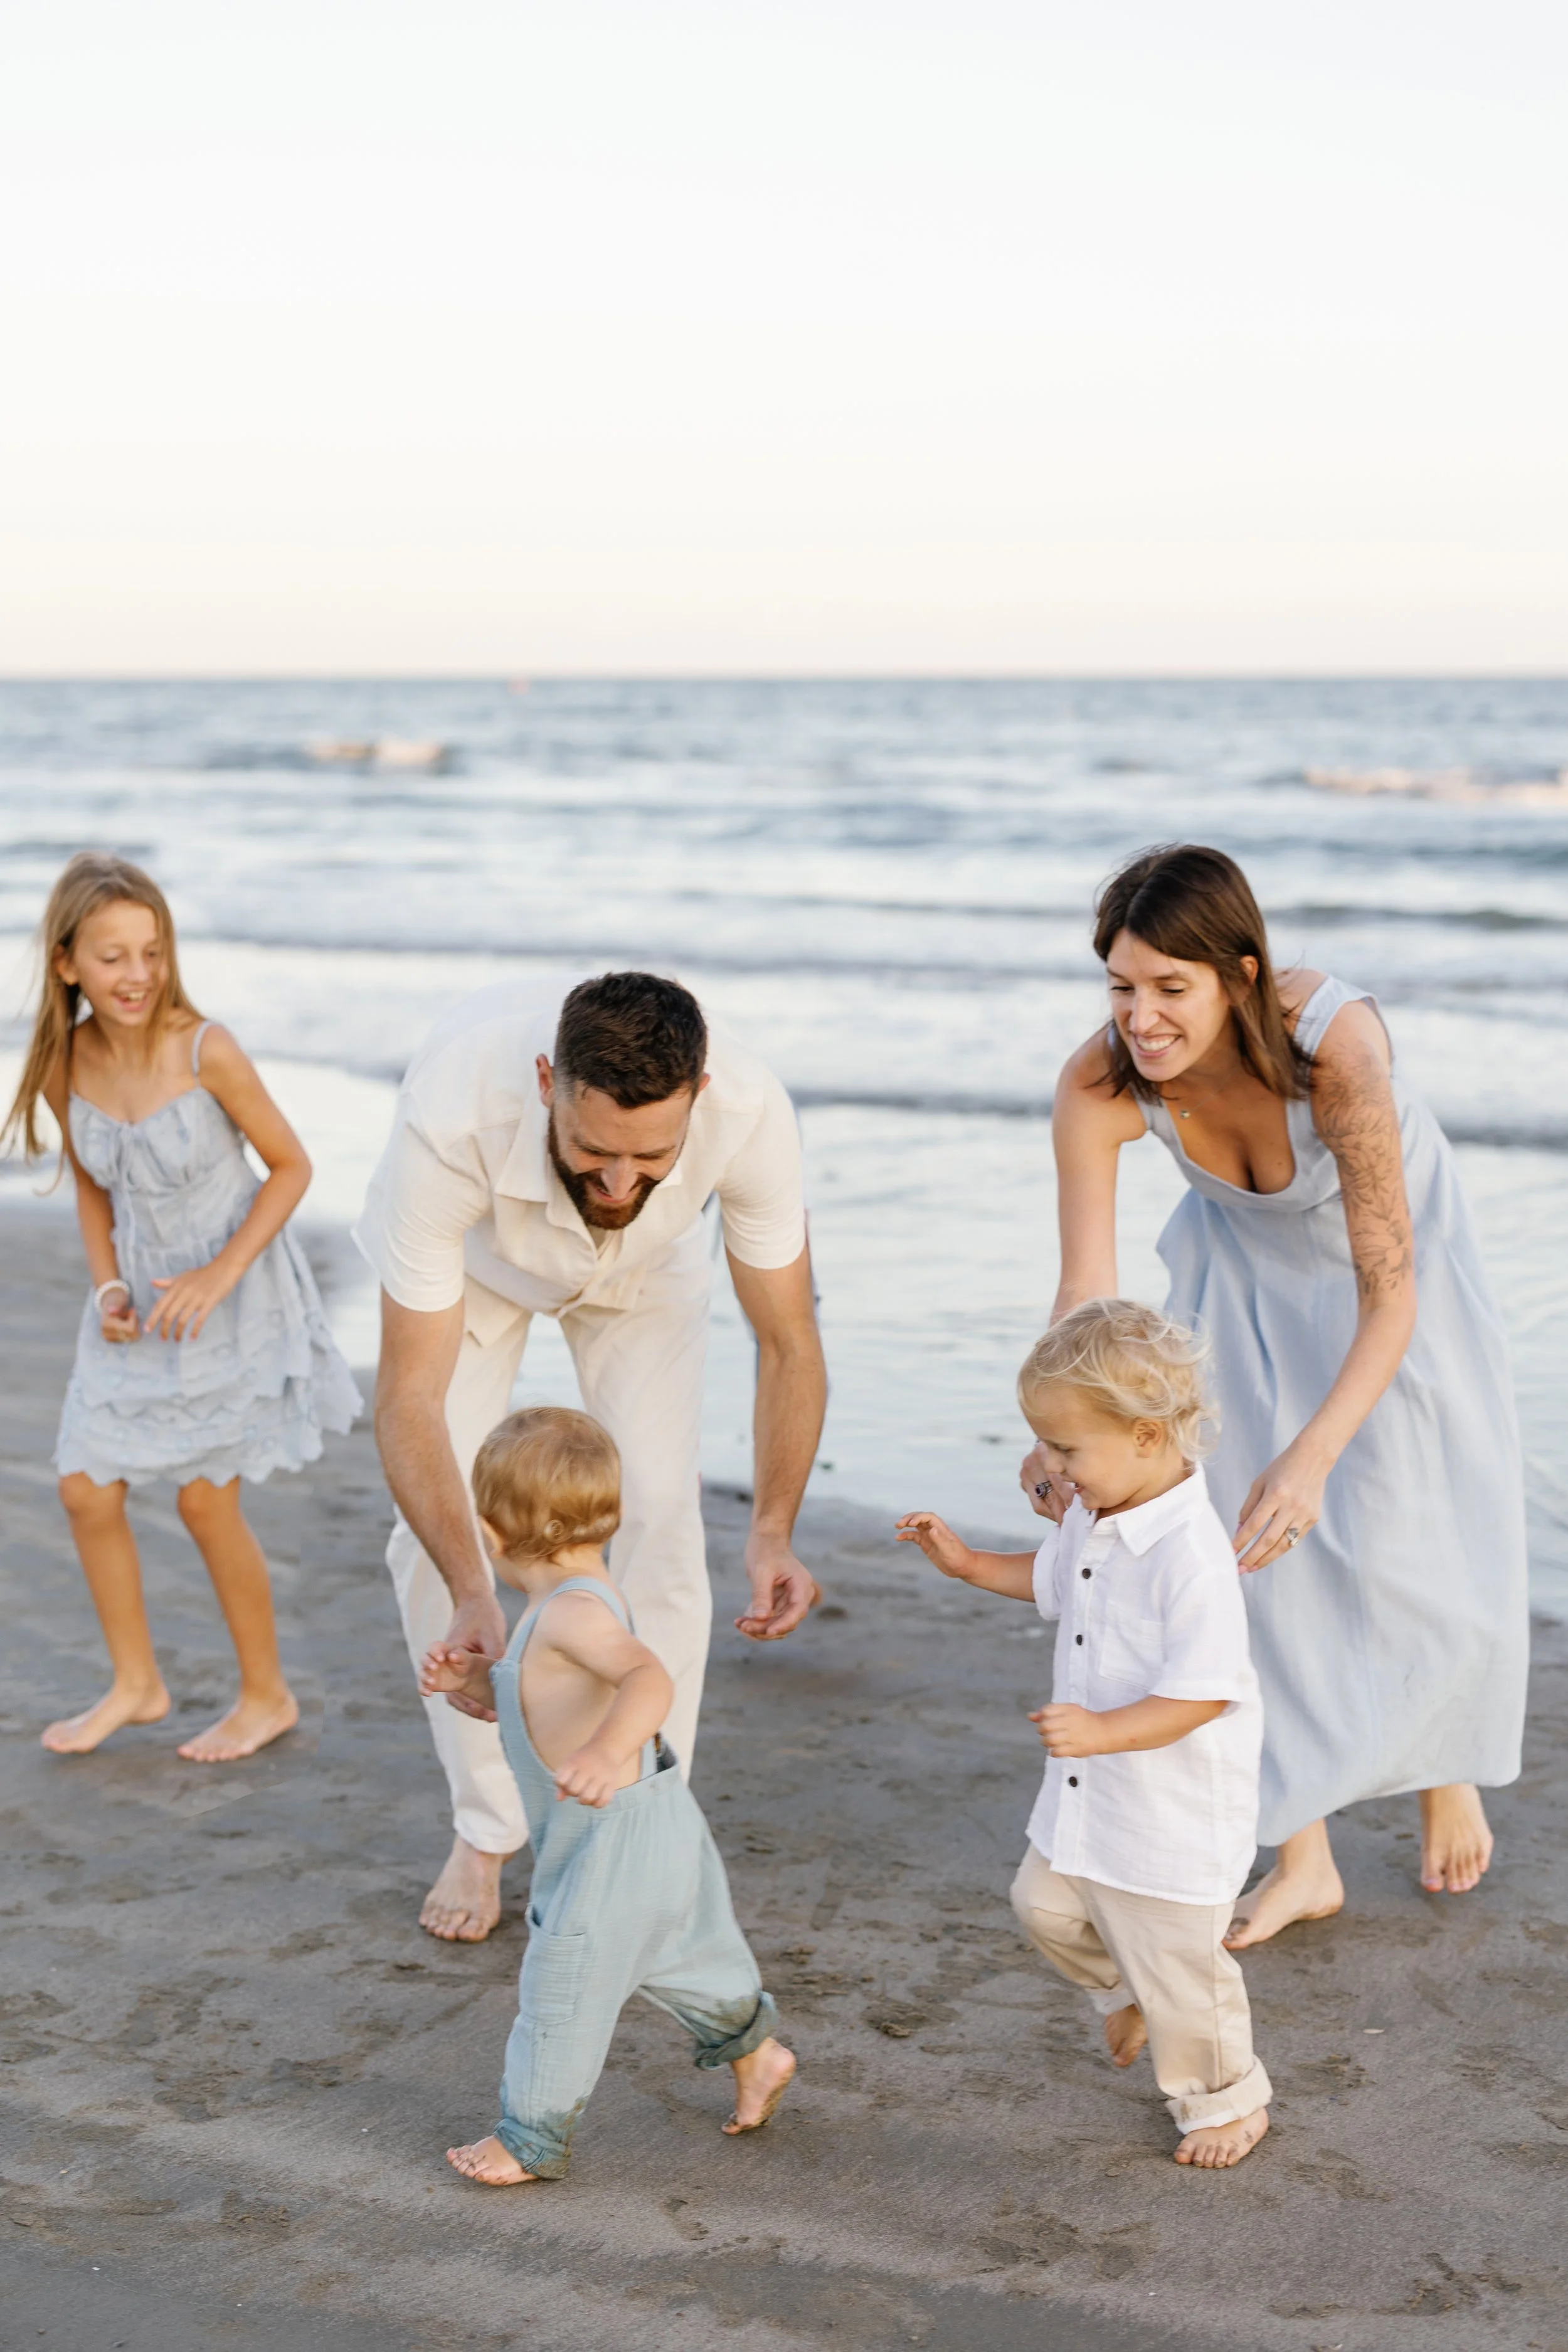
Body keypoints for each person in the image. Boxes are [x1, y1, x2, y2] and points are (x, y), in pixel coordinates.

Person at [1039, 843, 1527, 1946]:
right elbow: (1085, 1293)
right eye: (1121, 986)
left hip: (1390, 1270)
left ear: (1241, 976)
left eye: (1172, 988)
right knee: (1239, 1550)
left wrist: (1313, 1457)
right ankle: (1305, 1855)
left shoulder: (1335, 1048)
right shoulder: (1099, 1083)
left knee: (1402, 1527)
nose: (1142, 1018)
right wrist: (1057, 1430)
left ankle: (1441, 1765)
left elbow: (1390, 1296)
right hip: (1242, 1272)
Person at [357, 970, 827, 1943]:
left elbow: (788, 1339)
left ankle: (639, 1830)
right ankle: (486, 1829)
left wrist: (775, 1530)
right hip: (479, 1268)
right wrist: (475, 1590)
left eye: (650, 1154)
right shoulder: (450, 1120)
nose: (617, 1181)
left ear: (698, 1097)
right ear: (547, 1083)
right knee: (438, 1541)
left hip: (648, 1273)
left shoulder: (749, 1112)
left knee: (658, 1512)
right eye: (593, 1150)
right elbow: (407, 1398)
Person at [3, 852, 361, 1762]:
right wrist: (107, 1286)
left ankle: (267, 1696)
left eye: (152, 951)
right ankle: (138, 1684)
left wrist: (219, 1275)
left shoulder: (207, 1050)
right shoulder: (64, 1061)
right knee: (86, 1490)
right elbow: (93, 1189)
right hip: (135, 1297)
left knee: (205, 1503)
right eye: (113, 956)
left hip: (232, 1291)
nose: (137, 975)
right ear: (66, 963)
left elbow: (292, 1167)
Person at [898, 1301, 1270, 2168]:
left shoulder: (1190, 1554)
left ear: (1146, 1436)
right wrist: (965, 1564)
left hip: (1170, 1814)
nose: (1050, 1466)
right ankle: (1122, 1990)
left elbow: (1205, 1694)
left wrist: (1103, 1730)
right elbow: (1052, 1578)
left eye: (1066, 1449)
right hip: (1090, 1797)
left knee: (1184, 1973)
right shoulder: (1093, 1514)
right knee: (1044, 1906)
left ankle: (1229, 2098)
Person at [421, 1406, 794, 2185]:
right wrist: (480, 1682)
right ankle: (756, 2054)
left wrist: (605, 1749)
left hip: (608, 1848)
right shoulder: (584, 1597)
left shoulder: (570, 1613)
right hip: (654, 1827)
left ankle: (528, 2137)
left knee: (560, 1990)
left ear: (489, 1532)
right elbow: (551, 1697)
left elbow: (646, 1677)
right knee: (688, 1957)